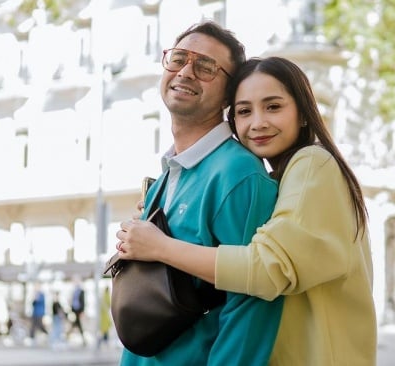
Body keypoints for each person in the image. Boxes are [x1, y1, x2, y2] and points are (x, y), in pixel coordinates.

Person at [117, 56, 377, 365]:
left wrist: (161, 247)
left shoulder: (312, 163)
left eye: (273, 107)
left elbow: (269, 268)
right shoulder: (280, 179)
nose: (258, 123)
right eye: (244, 111)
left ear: (304, 114)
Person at [115, 20, 283, 365]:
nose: (186, 72)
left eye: (206, 67)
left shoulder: (239, 173)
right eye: (178, 59)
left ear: (227, 94)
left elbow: (253, 302)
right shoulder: (168, 174)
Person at [67, 278, 85, 344]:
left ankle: (67, 335)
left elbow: (83, 301)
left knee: (76, 324)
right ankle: (68, 335)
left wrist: (82, 311)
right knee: (76, 324)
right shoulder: (74, 291)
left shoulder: (81, 291)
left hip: (79, 310)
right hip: (74, 310)